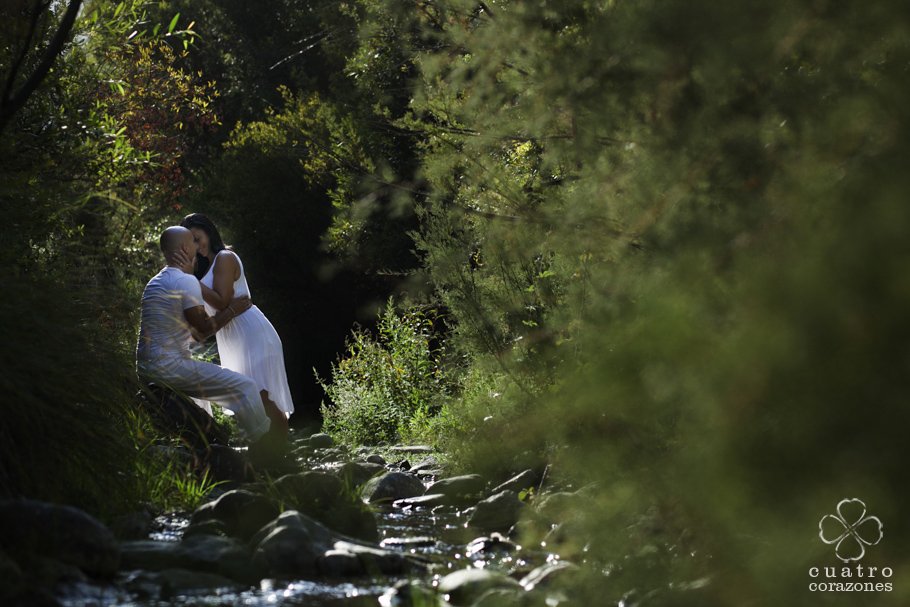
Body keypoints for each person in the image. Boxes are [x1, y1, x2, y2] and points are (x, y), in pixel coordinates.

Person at [136, 226, 287, 454]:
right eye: (193, 243)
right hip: (170, 368)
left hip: (147, 367)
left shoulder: (154, 282)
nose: (197, 248)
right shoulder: (185, 281)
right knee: (246, 386)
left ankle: (208, 449)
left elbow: (190, 334)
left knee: (202, 400)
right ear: (186, 248)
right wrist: (233, 310)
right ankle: (265, 446)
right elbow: (204, 330)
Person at [179, 213, 295, 424]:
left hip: (250, 332)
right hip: (231, 338)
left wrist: (190, 279)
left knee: (263, 398)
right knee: (250, 403)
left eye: (198, 238)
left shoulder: (225, 257)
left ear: (209, 231)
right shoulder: (204, 269)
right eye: (191, 243)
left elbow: (222, 302)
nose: (196, 245)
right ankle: (266, 453)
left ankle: (280, 454)